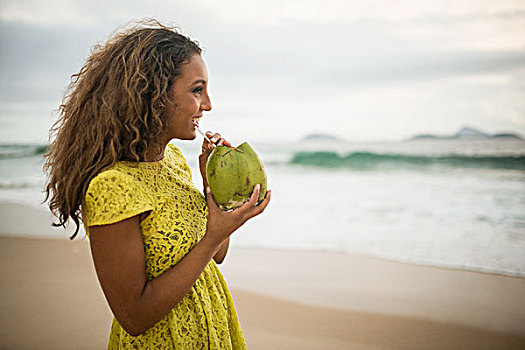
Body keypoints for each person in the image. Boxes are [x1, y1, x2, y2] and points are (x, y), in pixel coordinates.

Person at [44, 19, 271, 349]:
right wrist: (213, 237)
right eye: (197, 90)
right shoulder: (112, 187)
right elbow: (134, 316)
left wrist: (214, 186)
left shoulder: (175, 161)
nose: (208, 105)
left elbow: (217, 255)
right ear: (152, 94)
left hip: (213, 333)